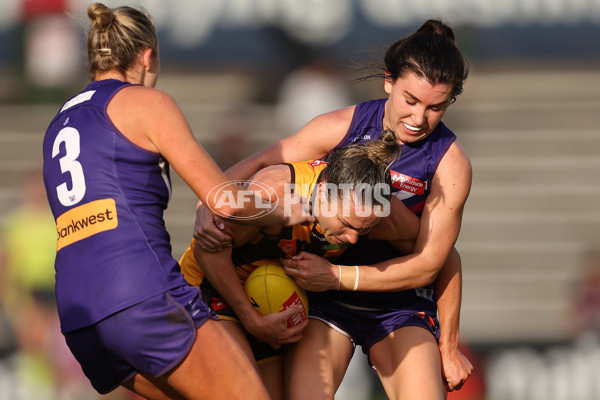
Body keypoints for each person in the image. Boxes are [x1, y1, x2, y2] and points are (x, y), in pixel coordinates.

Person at [41, 3, 311, 399]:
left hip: (80, 315)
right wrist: (283, 210)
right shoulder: (143, 102)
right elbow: (224, 200)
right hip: (140, 295)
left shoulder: (58, 124)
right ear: (148, 55)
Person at [194, 19, 474, 399]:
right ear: (388, 81)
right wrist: (210, 203)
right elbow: (256, 170)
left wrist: (449, 344)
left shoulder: (445, 167)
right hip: (321, 300)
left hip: (396, 302)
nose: (419, 118)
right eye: (411, 100)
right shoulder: (334, 136)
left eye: (436, 107)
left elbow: (436, 260)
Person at [180, 130, 422, 400]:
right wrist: (251, 319)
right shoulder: (275, 193)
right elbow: (206, 251)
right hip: (210, 291)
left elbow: (437, 256)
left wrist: (448, 343)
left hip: (269, 305)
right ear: (322, 191)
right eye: (347, 225)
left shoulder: (375, 209)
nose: (354, 238)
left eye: (364, 230)